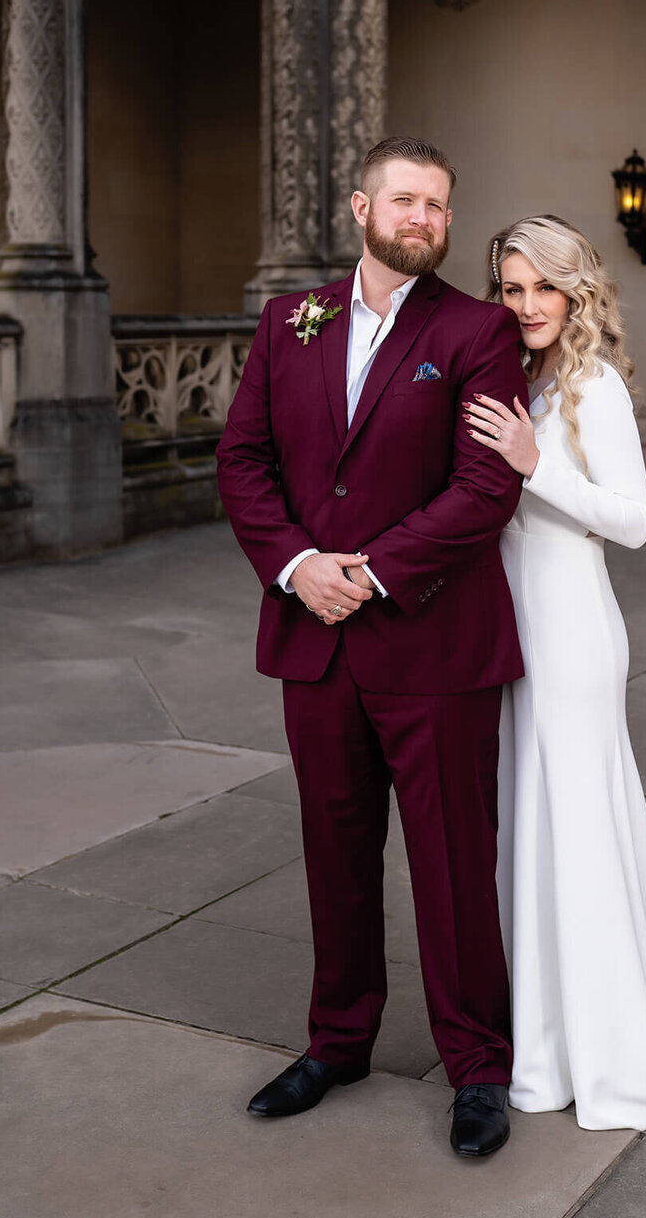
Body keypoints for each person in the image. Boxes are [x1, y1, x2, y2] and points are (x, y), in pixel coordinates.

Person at [216, 137, 528, 1157]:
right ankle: (337, 1041)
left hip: (434, 644)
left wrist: (372, 569)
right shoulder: (286, 320)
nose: (424, 219)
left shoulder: (478, 330)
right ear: (362, 206)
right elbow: (244, 459)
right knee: (335, 855)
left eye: (439, 205)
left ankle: (478, 1064)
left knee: (451, 866)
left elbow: (487, 486)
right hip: (315, 640)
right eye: (406, 200)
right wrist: (300, 565)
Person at [463, 214, 646, 1132]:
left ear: (577, 292)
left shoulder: (591, 382)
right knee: (538, 821)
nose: (527, 305)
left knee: (575, 825)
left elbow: (634, 521)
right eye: (511, 287)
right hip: (516, 631)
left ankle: (601, 1051)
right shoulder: (517, 378)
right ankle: (546, 1029)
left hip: (571, 636)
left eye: (543, 288)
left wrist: (530, 465)